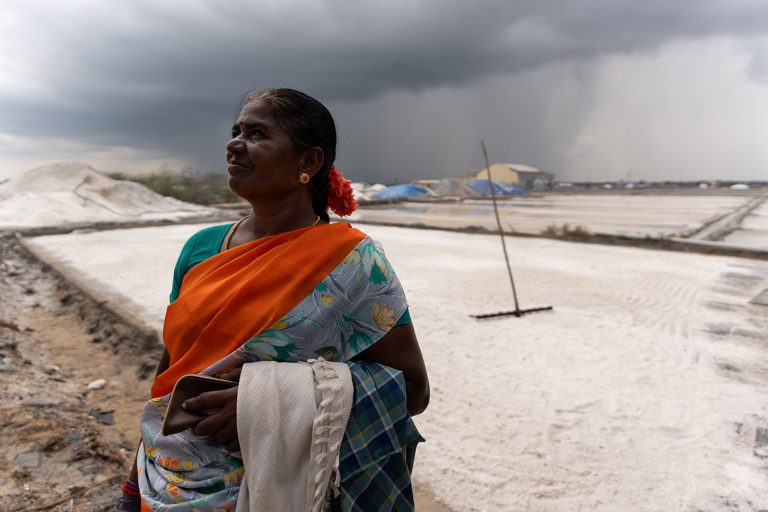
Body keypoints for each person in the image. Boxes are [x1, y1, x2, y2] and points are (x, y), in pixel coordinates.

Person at [116, 88, 429, 511]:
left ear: (309, 163)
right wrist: (135, 482)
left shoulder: (354, 262)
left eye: (256, 133)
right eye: (236, 131)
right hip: (163, 472)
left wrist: (263, 405)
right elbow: (171, 370)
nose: (234, 144)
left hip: (278, 486)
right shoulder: (201, 247)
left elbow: (412, 389)